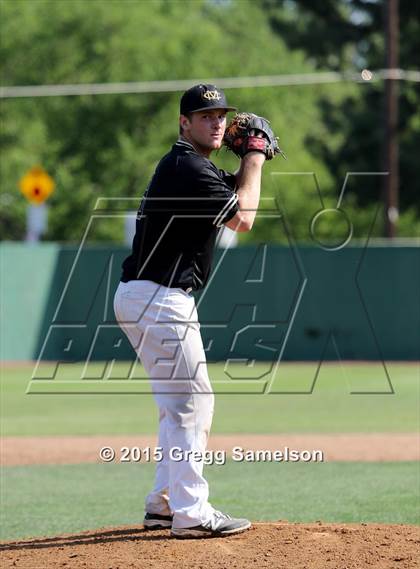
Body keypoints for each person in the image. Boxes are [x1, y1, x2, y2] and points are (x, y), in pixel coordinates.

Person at [113, 84, 266, 538]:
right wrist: (255, 158)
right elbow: (244, 217)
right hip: (160, 297)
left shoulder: (189, 165)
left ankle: (164, 503)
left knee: (176, 406)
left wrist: (244, 163)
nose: (217, 122)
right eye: (205, 116)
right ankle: (191, 513)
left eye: (221, 115)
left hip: (145, 295)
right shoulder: (188, 166)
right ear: (184, 123)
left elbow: (234, 195)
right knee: (192, 403)